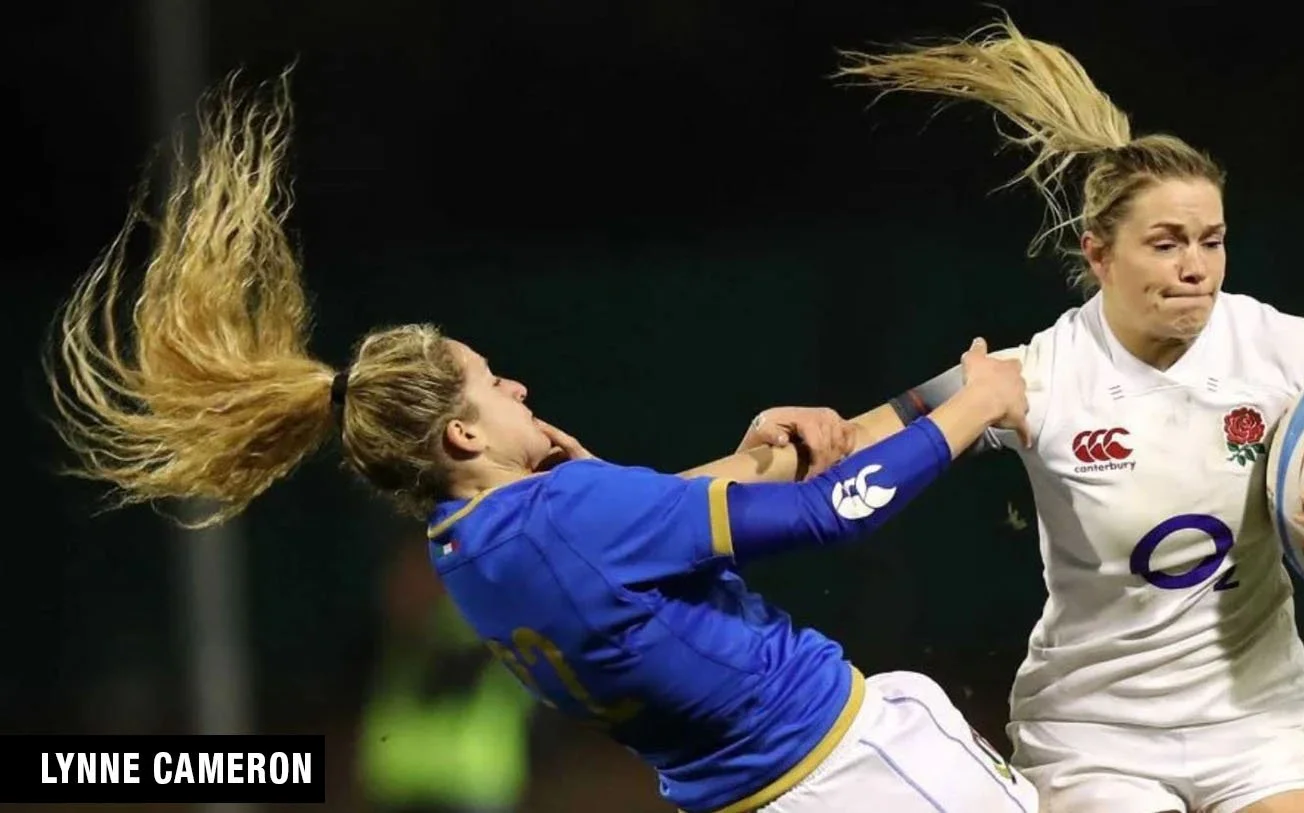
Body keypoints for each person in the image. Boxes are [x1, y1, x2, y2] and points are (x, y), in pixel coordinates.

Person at [41, 70, 1044, 813]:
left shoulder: (468, 547)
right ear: (463, 430)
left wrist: (751, 458)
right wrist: (972, 407)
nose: (520, 385)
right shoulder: (562, 511)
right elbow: (829, 515)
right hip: (852, 776)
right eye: (493, 380)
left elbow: (641, 544)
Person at [833, 16, 1304, 813]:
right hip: (1093, 735)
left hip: (1261, 721)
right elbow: (848, 445)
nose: (1195, 268)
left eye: (1211, 241)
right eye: (1167, 242)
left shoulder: (1290, 349)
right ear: (1097, 252)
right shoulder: (1035, 374)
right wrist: (678, 498)